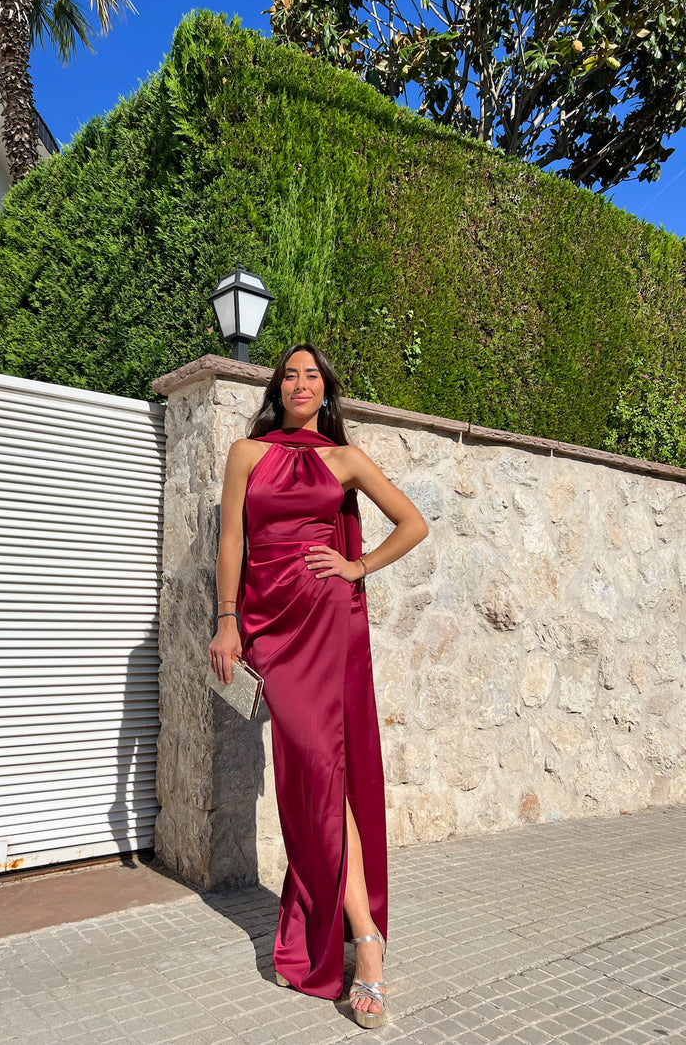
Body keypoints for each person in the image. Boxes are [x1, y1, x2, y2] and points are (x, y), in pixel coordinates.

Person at [208, 343, 428, 1029]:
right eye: (290, 374)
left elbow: (413, 523)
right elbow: (231, 545)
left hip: (327, 622)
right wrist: (226, 621)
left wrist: (359, 565)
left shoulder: (346, 461)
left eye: (313, 375)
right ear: (279, 388)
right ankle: (339, 927)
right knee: (309, 776)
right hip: (271, 627)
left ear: (327, 393)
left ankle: (365, 942)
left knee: (327, 775)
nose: (300, 382)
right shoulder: (247, 452)